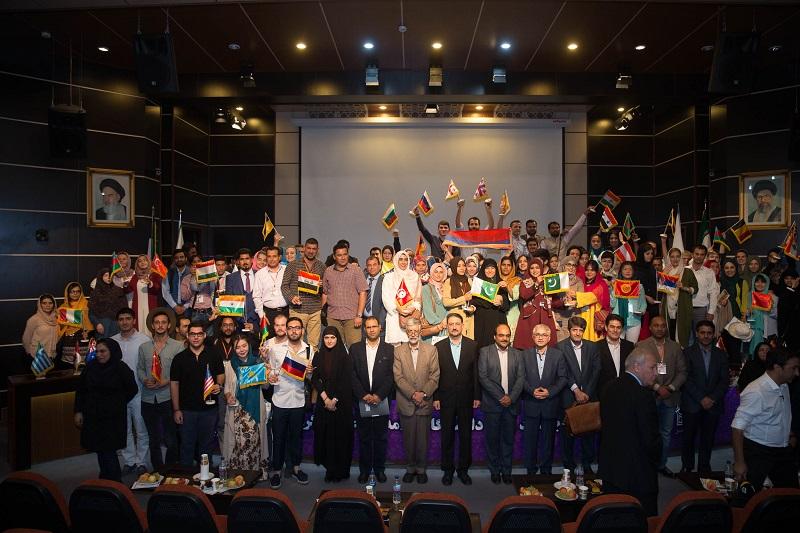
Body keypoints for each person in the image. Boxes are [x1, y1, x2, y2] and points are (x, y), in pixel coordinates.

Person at [599, 348, 660, 516]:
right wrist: (656, 459)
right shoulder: (644, 395)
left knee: (612, 517)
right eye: (652, 367)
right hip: (637, 474)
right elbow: (650, 439)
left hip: (610, 469)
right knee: (640, 520)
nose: (655, 373)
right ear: (637, 367)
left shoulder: (608, 387)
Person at [732, 348, 799, 488]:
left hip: (782, 450)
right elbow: (737, 428)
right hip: (758, 451)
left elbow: (783, 414)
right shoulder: (756, 390)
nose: (797, 373)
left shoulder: (784, 386)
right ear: (777, 367)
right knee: (749, 494)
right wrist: (739, 462)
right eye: (793, 368)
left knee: (790, 492)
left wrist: (790, 434)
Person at [74, 337, 138, 482]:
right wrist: (78, 411)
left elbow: (132, 388)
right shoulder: (91, 367)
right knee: (99, 449)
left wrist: (117, 402)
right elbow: (81, 390)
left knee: (109, 450)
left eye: (103, 351)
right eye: (97, 352)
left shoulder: (120, 368)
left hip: (112, 417)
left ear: (112, 352)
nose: (99, 355)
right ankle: (104, 479)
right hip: (93, 416)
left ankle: (114, 482)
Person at [265, 316, 312, 489]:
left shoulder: (309, 350)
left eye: (297, 328)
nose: (293, 331)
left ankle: (296, 468)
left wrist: (310, 372)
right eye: (290, 328)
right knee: (278, 438)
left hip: (298, 401)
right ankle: (277, 471)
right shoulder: (275, 348)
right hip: (279, 400)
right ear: (287, 330)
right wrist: (270, 376)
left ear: (302, 330)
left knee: (296, 438)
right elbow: (269, 370)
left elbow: (311, 377)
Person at [637, 315, 687, 477]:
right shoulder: (641, 345)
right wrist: (657, 387)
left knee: (665, 434)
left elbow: (683, 372)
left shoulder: (675, 347)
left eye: (663, 325)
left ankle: (661, 464)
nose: (660, 328)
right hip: (649, 397)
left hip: (670, 398)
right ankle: (646, 465)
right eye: (656, 325)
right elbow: (638, 371)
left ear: (666, 328)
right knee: (646, 433)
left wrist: (670, 388)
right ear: (650, 327)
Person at [433, 313, 480, 485]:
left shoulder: (473, 345)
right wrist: (436, 397)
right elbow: (435, 374)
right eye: (451, 324)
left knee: (465, 436)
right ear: (447, 326)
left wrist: (477, 396)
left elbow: (476, 373)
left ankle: (463, 470)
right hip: (445, 399)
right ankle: (447, 470)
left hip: (467, 398)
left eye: (457, 324)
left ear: (462, 326)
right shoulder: (438, 347)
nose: (454, 327)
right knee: (447, 436)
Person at [170, 322, 225, 467]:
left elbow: (221, 374)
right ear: (187, 336)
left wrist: (219, 385)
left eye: (199, 334)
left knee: (206, 447)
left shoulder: (214, 354)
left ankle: (206, 477)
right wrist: (176, 409)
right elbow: (174, 384)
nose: (196, 337)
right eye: (192, 334)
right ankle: (186, 478)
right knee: (186, 446)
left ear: (204, 335)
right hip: (187, 411)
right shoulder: (179, 358)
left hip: (209, 410)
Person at [393, 317, 440, 484]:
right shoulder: (398, 351)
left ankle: (421, 469)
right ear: (406, 332)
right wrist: (413, 394)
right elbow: (398, 377)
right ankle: (410, 468)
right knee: (408, 439)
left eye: (415, 331)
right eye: (410, 331)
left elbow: (435, 376)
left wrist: (423, 394)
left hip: (424, 402)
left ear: (420, 331)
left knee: (422, 440)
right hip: (406, 402)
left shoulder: (431, 350)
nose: (413, 333)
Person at [680, 320, 729, 474]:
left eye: (709, 333)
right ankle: (687, 468)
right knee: (688, 438)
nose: (706, 336)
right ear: (697, 334)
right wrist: (701, 398)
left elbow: (724, 380)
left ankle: (704, 468)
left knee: (708, 439)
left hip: (713, 405)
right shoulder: (687, 353)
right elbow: (685, 378)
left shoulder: (721, 354)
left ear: (713, 334)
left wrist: (711, 398)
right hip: (692, 403)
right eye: (702, 333)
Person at [478, 323, 524, 484]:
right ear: (494, 336)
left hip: (511, 404)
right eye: (501, 335)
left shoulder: (518, 354)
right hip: (492, 404)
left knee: (508, 440)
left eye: (507, 335)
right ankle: (494, 470)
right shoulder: (485, 352)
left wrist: (511, 397)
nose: (504, 338)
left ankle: (506, 471)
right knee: (492, 440)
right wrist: (500, 397)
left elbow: (521, 378)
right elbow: (483, 377)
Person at [137, 308, 182, 472]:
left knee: (171, 438)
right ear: (152, 325)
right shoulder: (144, 347)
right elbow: (140, 368)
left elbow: (180, 372)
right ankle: (157, 471)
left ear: (169, 325)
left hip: (168, 397)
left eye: (163, 322)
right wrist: (144, 380)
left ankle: (170, 469)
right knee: (153, 438)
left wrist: (165, 382)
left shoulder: (178, 346)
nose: (160, 325)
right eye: (157, 322)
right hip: (148, 399)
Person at [351, 316, 394, 483]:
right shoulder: (355, 348)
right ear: (364, 329)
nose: (371, 330)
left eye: (374, 326)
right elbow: (352, 374)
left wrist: (379, 395)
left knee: (381, 437)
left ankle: (379, 469)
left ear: (380, 328)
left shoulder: (389, 349)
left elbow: (391, 375)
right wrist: (363, 395)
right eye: (368, 327)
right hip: (362, 400)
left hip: (381, 400)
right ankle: (364, 470)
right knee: (364, 437)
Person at [521, 324, 568, 475]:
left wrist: (550, 392)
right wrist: (531, 391)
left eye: (544, 335)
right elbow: (520, 378)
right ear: (533, 337)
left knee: (548, 442)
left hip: (550, 404)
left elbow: (563, 378)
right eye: (537, 334)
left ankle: (546, 472)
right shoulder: (524, 355)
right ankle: (530, 471)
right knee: (530, 441)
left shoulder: (558, 355)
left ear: (549, 338)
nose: (540, 337)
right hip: (531, 403)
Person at [557, 316, 600, 473]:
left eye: (580, 330)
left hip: (588, 397)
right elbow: (563, 371)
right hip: (569, 397)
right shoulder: (560, 347)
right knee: (568, 435)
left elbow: (596, 370)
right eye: (574, 330)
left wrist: (586, 392)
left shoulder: (592, 347)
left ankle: (587, 465)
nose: (577, 333)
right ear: (569, 331)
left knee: (588, 434)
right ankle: (568, 467)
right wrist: (576, 390)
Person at [311, 327, 354, 482]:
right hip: (324, 402)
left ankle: (341, 471)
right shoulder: (318, 355)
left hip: (341, 404)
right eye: (326, 337)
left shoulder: (344, 356)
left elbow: (346, 381)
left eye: (332, 337)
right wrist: (325, 399)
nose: (329, 340)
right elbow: (315, 378)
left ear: (338, 339)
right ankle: (329, 470)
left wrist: (334, 399)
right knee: (325, 436)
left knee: (341, 437)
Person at [111, 308, 150, 475]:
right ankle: (129, 461)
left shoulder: (144, 340)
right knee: (124, 429)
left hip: (139, 391)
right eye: (121, 319)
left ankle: (142, 462)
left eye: (128, 318)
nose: (124, 322)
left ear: (134, 320)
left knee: (141, 429)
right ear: (118, 322)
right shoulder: (112, 342)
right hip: (119, 394)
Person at [224, 334, 269, 478]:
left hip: (254, 410)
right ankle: (239, 475)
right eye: (238, 347)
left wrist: (265, 365)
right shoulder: (230, 364)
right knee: (239, 444)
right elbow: (227, 388)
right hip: (237, 411)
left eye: (244, 346)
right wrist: (228, 396)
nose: (241, 349)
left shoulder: (257, 361)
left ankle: (254, 475)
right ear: (234, 349)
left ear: (249, 346)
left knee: (254, 443)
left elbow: (266, 386)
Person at [281, 238, 326, 349]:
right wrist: (291, 297)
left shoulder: (321, 266)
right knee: (295, 342)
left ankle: (312, 360)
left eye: (314, 249)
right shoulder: (293, 265)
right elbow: (284, 286)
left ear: (317, 250)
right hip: (297, 309)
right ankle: (296, 361)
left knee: (314, 344)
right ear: (304, 248)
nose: (311, 251)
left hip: (315, 310)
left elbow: (326, 289)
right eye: (309, 248)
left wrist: (322, 285)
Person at [322, 243, 368, 347]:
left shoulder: (356, 270)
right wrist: (323, 313)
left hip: (352, 318)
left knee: (354, 348)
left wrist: (359, 315)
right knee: (335, 349)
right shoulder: (328, 271)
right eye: (339, 255)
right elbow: (325, 293)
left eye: (345, 254)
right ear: (334, 257)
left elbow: (363, 292)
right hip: (333, 318)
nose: (343, 257)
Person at [657, 244, 699, 349]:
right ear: (669, 258)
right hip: (668, 306)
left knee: (682, 332)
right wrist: (663, 277)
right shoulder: (666, 271)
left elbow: (695, 289)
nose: (675, 259)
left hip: (683, 306)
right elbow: (660, 290)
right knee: (668, 330)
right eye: (672, 256)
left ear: (681, 258)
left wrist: (684, 287)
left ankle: (681, 353)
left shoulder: (687, 271)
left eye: (677, 256)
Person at [515, 258, 558, 349]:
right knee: (528, 346)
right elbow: (524, 295)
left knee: (547, 348)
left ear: (541, 269)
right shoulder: (525, 282)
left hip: (545, 317)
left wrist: (564, 301)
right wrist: (536, 284)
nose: (535, 270)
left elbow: (554, 301)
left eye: (537, 268)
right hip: (530, 319)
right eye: (532, 268)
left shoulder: (547, 281)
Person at [382, 250, 422, 345]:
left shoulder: (414, 276)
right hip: (394, 315)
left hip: (411, 315)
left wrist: (412, 308)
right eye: (400, 259)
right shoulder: (388, 277)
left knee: (411, 345)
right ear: (396, 260)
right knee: (395, 347)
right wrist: (398, 309)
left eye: (406, 259)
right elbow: (386, 297)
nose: (403, 262)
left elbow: (418, 296)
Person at [472, 258, 510, 349]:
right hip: (482, 322)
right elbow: (473, 301)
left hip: (497, 320)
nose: (490, 270)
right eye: (487, 268)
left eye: (492, 268)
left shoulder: (501, 284)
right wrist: (490, 300)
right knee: (482, 348)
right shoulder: (478, 283)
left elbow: (507, 306)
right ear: (483, 269)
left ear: (496, 270)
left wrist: (501, 301)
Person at [253, 246, 288, 340]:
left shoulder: (287, 270)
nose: (272, 259)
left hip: (286, 312)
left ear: (279, 257)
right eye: (269, 256)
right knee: (268, 343)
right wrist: (261, 315)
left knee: (287, 342)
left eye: (274, 256)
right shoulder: (260, 274)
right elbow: (256, 297)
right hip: (268, 314)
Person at [570, 260, 610, 342]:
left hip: (594, 316)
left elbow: (593, 296)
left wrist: (576, 294)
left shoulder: (601, 284)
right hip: (581, 314)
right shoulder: (581, 282)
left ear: (596, 271)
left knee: (593, 339)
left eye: (592, 270)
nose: (589, 272)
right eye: (587, 270)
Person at [596, 313, 636, 396]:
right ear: (606, 327)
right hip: (604, 393)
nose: (615, 330)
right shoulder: (596, 347)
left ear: (621, 329)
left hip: (626, 392)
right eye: (612, 327)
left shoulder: (629, 346)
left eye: (618, 327)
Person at [57, 281, 94, 368]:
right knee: (68, 366)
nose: (75, 294)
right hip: (68, 341)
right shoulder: (63, 307)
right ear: (68, 293)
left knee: (83, 365)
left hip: (83, 338)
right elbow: (60, 325)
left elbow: (91, 322)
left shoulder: (87, 304)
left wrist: (68, 316)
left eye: (78, 291)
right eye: (72, 291)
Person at [125, 254, 162, 335]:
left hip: (150, 306)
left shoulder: (155, 274)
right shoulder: (135, 277)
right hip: (138, 307)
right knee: (138, 328)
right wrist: (125, 284)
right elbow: (128, 290)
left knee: (151, 327)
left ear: (148, 262)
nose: (142, 262)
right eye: (140, 261)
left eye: (144, 260)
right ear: (137, 264)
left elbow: (157, 289)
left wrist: (150, 283)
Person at [610, 261, 647, 342]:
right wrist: (614, 289)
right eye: (625, 269)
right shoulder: (616, 285)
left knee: (632, 346)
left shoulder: (639, 286)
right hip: (617, 320)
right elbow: (612, 304)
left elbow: (643, 303)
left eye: (630, 269)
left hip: (634, 320)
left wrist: (641, 311)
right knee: (617, 345)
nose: (628, 271)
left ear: (633, 272)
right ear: (621, 271)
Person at [225, 248, 259, 331]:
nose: (245, 261)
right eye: (242, 259)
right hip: (238, 323)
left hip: (258, 321)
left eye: (247, 258)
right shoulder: (230, 278)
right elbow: (229, 301)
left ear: (252, 260)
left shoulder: (260, 274)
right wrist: (239, 320)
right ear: (238, 262)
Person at [442, 257, 476, 339]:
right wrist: (463, 298)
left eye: (463, 265)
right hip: (455, 317)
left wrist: (473, 308)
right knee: (455, 342)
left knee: (469, 343)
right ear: (454, 267)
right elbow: (446, 302)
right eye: (458, 266)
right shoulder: (448, 281)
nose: (462, 268)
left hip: (469, 317)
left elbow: (474, 299)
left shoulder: (469, 280)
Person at [689, 245, 719, 335]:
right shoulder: (684, 270)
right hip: (685, 308)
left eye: (702, 254)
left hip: (701, 310)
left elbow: (713, 293)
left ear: (705, 256)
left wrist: (711, 311)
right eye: (697, 254)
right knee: (685, 336)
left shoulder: (709, 272)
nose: (699, 256)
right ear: (692, 255)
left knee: (701, 336)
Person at [180, 256, 216, 330]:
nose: (197, 264)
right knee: (194, 333)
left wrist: (207, 277)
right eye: (194, 262)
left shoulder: (208, 276)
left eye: (199, 261)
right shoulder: (186, 279)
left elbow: (213, 290)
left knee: (209, 334)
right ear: (190, 267)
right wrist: (193, 278)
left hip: (208, 311)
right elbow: (184, 297)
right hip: (194, 312)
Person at [90, 268, 127, 338]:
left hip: (116, 326)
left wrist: (123, 323)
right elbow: (91, 313)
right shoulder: (95, 292)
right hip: (102, 326)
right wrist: (97, 324)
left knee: (116, 343)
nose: (109, 277)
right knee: (103, 344)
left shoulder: (119, 290)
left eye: (110, 275)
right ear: (101, 277)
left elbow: (124, 309)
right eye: (106, 275)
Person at [22, 294, 58, 358]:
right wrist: (29, 352)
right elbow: (26, 338)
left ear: (54, 304)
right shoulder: (34, 319)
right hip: (38, 356)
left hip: (53, 355)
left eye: (50, 303)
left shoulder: (57, 318)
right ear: (40, 305)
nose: (48, 305)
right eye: (44, 303)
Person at [421, 262, 448, 342]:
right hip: (433, 328)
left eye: (441, 272)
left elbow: (451, 306)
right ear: (431, 273)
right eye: (436, 272)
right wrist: (440, 324)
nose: (438, 274)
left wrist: (447, 320)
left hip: (447, 327)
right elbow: (427, 310)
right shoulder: (426, 288)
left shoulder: (448, 288)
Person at [747, 273, 773, 356]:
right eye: (757, 281)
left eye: (763, 282)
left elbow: (773, 314)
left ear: (767, 283)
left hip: (767, 329)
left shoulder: (771, 296)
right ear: (753, 283)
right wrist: (749, 313)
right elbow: (747, 314)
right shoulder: (749, 295)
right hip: (753, 327)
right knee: (754, 350)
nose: (760, 284)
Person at [500, 255, 523, 342]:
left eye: (509, 265)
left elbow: (515, 296)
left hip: (512, 317)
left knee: (511, 342)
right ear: (500, 266)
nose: (506, 267)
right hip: (498, 315)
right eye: (503, 265)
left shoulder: (517, 280)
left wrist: (507, 286)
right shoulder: (495, 279)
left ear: (512, 267)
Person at [162, 248, 190, 319]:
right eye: (176, 258)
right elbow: (165, 292)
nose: (179, 259)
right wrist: (175, 306)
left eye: (181, 257)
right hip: (171, 307)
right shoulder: (168, 273)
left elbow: (194, 292)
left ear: (186, 258)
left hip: (188, 308)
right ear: (174, 260)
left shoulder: (191, 272)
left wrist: (185, 306)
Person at [362, 256, 387, 334]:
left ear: (379, 266)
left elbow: (385, 305)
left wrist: (380, 323)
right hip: (363, 321)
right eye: (369, 265)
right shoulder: (362, 279)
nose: (372, 267)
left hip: (378, 321)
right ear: (366, 267)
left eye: (374, 264)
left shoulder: (385, 281)